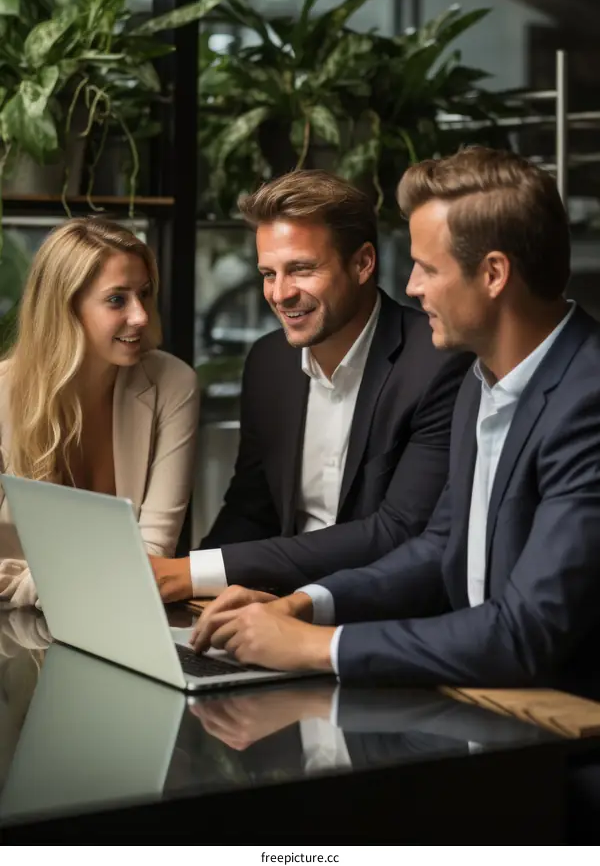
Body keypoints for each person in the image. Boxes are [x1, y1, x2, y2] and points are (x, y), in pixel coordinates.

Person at [191, 146, 600, 695]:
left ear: (494, 274)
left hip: (561, 729)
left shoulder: (586, 400)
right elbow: (437, 549)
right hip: (482, 699)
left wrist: (315, 646)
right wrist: (302, 604)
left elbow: (526, 633)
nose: (410, 287)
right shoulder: (484, 383)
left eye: (428, 268)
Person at [150, 170, 471, 603]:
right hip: (270, 606)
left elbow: (397, 532)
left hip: (379, 618)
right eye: (268, 273)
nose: (280, 294)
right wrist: (187, 595)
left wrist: (193, 572)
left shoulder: (437, 363)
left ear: (363, 263)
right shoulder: (269, 362)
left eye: (300, 269)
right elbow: (251, 510)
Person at [0, 217, 200, 607]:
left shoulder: (172, 384)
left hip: (122, 614)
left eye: (144, 293)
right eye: (117, 299)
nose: (140, 315)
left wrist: (36, 581)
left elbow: (152, 559)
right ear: (64, 307)